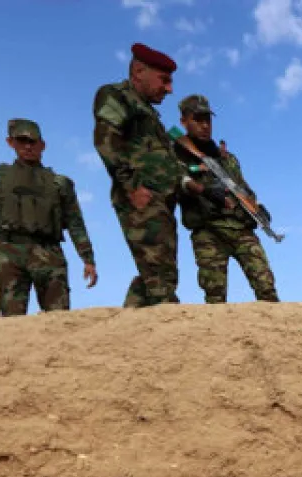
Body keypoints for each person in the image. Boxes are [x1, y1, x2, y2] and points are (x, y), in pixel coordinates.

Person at [92, 43, 197, 307]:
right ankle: (170, 333)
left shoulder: (151, 116)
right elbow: (106, 140)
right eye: (164, 80)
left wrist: (187, 182)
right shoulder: (117, 96)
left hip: (160, 202)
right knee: (160, 277)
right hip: (142, 197)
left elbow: (165, 161)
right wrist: (131, 187)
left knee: (157, 275)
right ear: (139, 71)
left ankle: (128, 328)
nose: (169, 89)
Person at [0, 119, 97, 316]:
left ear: (42, 145)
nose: (27, 146)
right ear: (11, 143)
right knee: (10, 322)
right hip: (9, 253)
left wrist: (88, 259)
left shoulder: (61, 184)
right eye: (22, 141)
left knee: (58, 319)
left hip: (49, 253)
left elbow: (75, 223)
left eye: (33, 142)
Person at [172, 95, 279, 304]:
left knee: (267, 289)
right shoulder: (176, 153)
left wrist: (257, 209)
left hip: (239, 229)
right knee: (215, 298)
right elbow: (176, 180)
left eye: (208, 120)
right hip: (208, 231)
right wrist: (204, 190)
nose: (205, 126)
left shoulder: (226, 158)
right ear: (184, 121)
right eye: (198, 120)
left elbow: (242, 187)